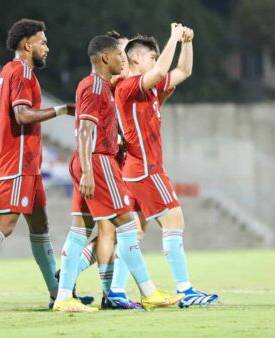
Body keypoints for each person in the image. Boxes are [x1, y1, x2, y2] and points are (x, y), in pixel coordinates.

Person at [53, 34, 184, 313]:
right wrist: (89, 170)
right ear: (104, 58)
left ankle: (64, 295)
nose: (123, 60)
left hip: (89, 160)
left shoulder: (94, 86)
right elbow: (87, 129)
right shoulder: (96, 87)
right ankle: (145, 292)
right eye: (119, 55)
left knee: (81, 230)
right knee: (127, 227)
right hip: (97, 162)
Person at [0, 18, 76, 312]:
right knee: (5, 224)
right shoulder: (21, 71)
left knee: (40, 227)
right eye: (42, 42)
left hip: (26, 163)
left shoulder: (8, 71)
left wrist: (0, 148)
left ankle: (56, 294)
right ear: (27, 44)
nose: (47, 47)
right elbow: (21, 115)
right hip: (20, 163)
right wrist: (61, 110)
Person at [113, 24, 219, 308]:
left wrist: (187, 42)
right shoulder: (126, 87)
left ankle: (115, 291)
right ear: (136, 59)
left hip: (135, 171)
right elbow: (160, 71)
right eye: (151, 55)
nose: (155, 60)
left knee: (133, 232)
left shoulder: (149, 88)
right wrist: (172, 36)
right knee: (174, 221)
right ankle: (185, 291)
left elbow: (183, 72)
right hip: (146, 169)